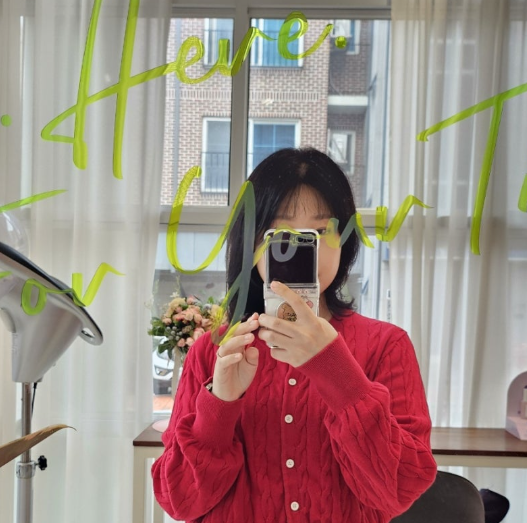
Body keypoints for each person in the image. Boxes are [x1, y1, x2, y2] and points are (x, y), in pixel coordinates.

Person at [152, 148, 437, 522]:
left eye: (320, 231)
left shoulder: (386, 346)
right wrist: (218, 405)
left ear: (345, 239)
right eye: (280, 234)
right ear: (252, 243)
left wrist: (338, 372)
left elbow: (399, 490)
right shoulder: (216, 350)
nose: (304, 248)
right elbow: (179, 501)